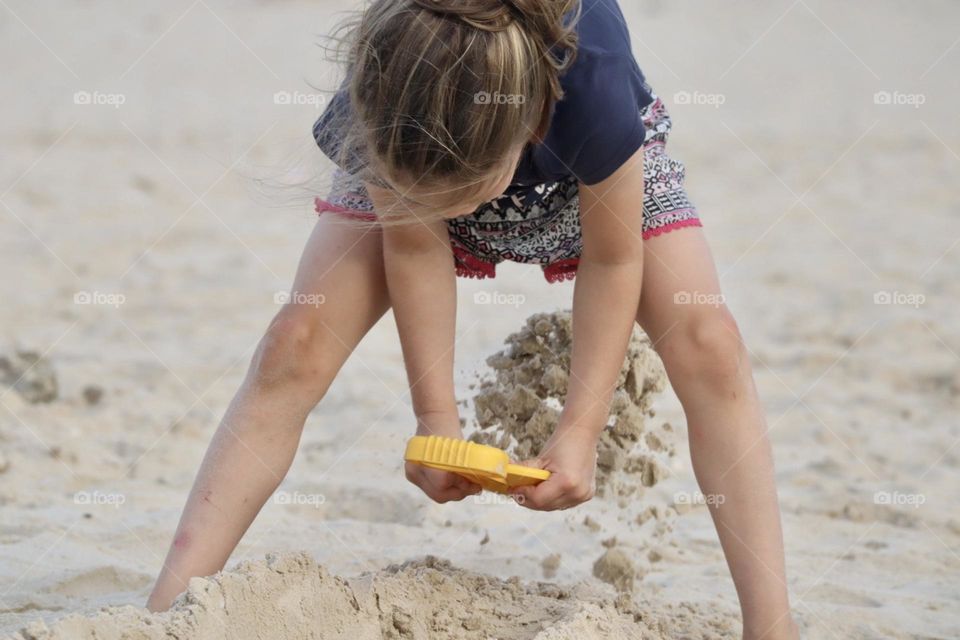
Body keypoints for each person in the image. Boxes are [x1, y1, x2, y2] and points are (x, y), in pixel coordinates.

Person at [148, 1, 799, 637]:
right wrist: (437, 425)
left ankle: (773, 628)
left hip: (587, 175)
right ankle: (166, 609)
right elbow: (412, 244)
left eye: (454, 198)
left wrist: (580, 428)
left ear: (525, 135)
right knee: (295, 342)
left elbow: (612, 261)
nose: (448, 213)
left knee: (712, 344)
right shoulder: (389, 72)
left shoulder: (589, 70)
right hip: (411, 153)